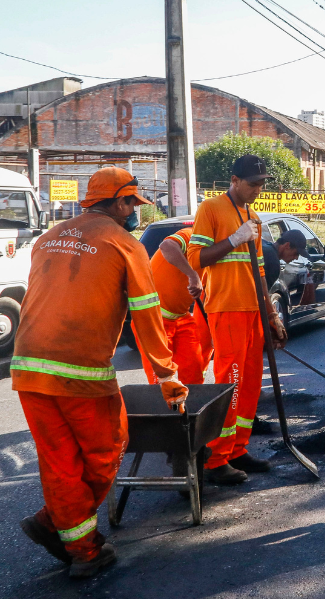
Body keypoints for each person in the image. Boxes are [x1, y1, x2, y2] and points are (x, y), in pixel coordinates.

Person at [14, 167, 185, 577]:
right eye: (133, 204)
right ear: (121, 202)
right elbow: (147, 314)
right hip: (79, 369)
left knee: (59, 462)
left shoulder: (48, 237)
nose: (135, 213)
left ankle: (67, 535)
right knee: (107, 451)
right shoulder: (125, 244)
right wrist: (167, 375)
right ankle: (75, 543)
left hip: (27, 367)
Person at [187, 154, 287, 485]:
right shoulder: (210, 209)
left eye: (261, 184)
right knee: (229, 382)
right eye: (252, 184)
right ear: (234, 181)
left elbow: (259, 272)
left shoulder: (254, 218)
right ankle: (216, 459)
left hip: (253, 311)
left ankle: (237, 449)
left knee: (249, 384)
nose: (257, 189)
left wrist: (271, 313)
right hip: (226, 308)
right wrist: (233, 240)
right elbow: (196, 257)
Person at [136, 226, 213, 385]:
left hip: (181, 317)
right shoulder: (191, 235)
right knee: (162, 381)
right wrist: (191, 274)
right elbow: (167, 246)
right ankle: (167, 409)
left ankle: (191, 408)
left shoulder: (214, 254)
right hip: (154, 319)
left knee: (194, 371)